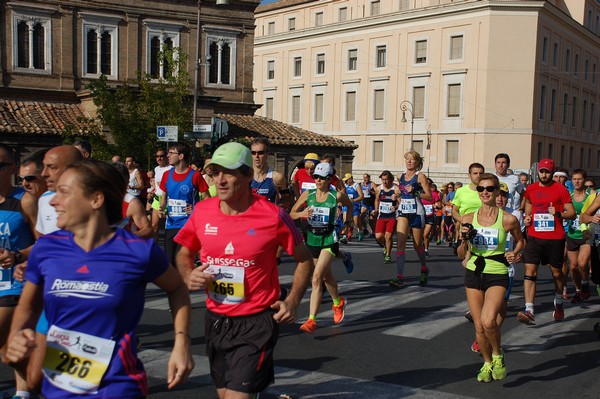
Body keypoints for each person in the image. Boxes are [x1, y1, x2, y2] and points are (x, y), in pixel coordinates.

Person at [4, 159, 194, 398]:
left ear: (96, 199)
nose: (53, 201)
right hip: (58, 386)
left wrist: (181, 343)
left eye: (64, 192)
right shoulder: (46, 249)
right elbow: (28, 306)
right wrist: (17, 336)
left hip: (117, 385)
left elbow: (177, 289)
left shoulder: (137, 251)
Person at [174, 142, 314, 399]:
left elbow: (305, 260)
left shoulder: (273, 216)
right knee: (224, 394)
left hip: (256, 323)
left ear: (248, 175)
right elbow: (183, 253)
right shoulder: (202, 212)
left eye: (229, 172)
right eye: (215, 173)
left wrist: (292, 301)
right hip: (215, 320)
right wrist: (186, 273)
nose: (221, 180)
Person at [457, 173, 524, 382]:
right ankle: (486, 363)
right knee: (478, 326)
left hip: (497, 271)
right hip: (474, 271)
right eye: (481, 189)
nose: (484, 192)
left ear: (497, 192)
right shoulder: (468, 219)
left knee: (488, 321)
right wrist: (463, 240)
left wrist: (515, 253)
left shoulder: (508, 219)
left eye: (489, 189)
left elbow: (521, 241)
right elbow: (461, 253)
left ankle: (497, 354)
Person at [290, 162, 354, 334]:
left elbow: (350, 205)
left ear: (329, 179)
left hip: (329, 240)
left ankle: (312, 320)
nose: (317, 180)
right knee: (326, 277)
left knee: (317, 278)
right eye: (316, 177)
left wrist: (348, 222)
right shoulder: (307, 194)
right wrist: (302, 214)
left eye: (321, 178)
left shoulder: (336, 195)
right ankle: (337, 302)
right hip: (312, 240)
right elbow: (291, 214)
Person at [517, 158, 575, 324]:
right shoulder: (531, 188)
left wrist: (558, 213)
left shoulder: (561, 190)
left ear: (552, 172)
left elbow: (571, 213)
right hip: (534, 237)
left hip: (555, 238)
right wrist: (527, 219)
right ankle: (529, 309)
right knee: (530, 272)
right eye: (541, 171)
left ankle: (559, 301)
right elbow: (528, 203)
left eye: (547, 172)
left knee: (557, 273)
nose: (544, 174)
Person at [0, 144, 36, 399]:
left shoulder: (24, 201)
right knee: (7, 350)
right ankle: (25, 392)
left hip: (13, 285)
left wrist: (17, 255)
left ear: (12, 169)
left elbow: (47, 243)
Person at [159, 142, 209, 266]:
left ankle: (185, 285)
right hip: (170, 224)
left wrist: (195, 209)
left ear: (181, 156)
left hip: (188, 224)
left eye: (171, 153)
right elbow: (164, 199)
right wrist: (161, 208)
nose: (168, 156)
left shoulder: (195, 176)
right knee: (169, 262)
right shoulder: (166, 175)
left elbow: (207, 199)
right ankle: (176, 285)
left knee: (182, 262)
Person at [565, 169, 593, 302]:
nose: (576, 181)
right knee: (574, 266)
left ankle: (585, 283)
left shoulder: (591, 195)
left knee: (582, 263)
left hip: (586, 234)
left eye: (579, 179)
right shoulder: (568, 196)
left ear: (584, 180)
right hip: (572, 233)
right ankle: (577, 290)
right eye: (574, 179)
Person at [110, 162, 154, 239]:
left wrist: (126, 237)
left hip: (123, 249)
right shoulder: (98, 199)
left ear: (126, 181)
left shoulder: (132, 203)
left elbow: (148, 230)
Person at [452, 163, 485, 248]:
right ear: (469, 175)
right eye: (475, 173)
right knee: (465, 257)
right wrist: (463, 221)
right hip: (466, 229)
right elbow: (454, 211)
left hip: (484, 228)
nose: (478, 176)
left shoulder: (487, 191)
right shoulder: (461, 191)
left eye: (481, 173)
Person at [18, 149, 49, 232]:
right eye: (21, 178)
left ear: (45, 175)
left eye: (29, 178)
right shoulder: (18, 202)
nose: (24, 184)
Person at [250, 138, 286, 204]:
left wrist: (279, 198)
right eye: (253, 153)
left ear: (267, 153)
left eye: (260, 153)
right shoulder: (245, 176)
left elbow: (286, 202)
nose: (256, 156)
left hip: (269, 213)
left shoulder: (277, 177)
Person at [374, 170, 400, 264]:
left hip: (392, 216)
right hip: (381, 216)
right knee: (379, 236)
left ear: (391, 179)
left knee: (388, 236)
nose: (385, 182)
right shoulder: (379, 189)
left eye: (386, 180)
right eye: (383, 179)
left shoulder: (396, 189)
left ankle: (388, 255)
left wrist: (396, 207)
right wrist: (376, 209)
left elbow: (401, 203)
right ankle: (385, 245)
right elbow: (377, 200)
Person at [150, 149, 173, 240]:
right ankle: (154, 249)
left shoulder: (171, 168)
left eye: (161, 156)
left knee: (169, 226)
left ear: (166, 157)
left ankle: (170, 247)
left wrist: (165, 185)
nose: (159, 158)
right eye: (157, 156)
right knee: (154, 225)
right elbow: (156, 185)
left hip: (168, 199)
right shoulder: (156, 169)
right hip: (157, 199)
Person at [340, 173, 364, 242]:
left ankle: (361, 230)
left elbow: (361, 196)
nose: (346, 182)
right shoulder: (345, 186)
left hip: (355, 206)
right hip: (346, 205)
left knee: (356, 222)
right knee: (345, 220)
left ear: (351, 179)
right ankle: (344, 236)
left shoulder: (356, 186)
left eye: (347, 180)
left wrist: (353, 200)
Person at [422, 179, 442, 256]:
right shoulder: (419, 194)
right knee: (421, 235)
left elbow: (439, 205)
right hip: (421, 215)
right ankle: (423, 245)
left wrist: (436, 206)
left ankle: (426, 250)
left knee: (425, 234)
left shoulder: (433, 194)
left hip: (430, 215)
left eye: (428, 184)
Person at [360, 173, 377, 238]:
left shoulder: (372, 184)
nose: (365, 179)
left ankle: (374, 231)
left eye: (366, 178)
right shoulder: (362, 184)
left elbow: (377, 193)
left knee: (371, 219)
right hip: (365, 203)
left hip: (371, 204)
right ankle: (365, 229)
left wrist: (371, 191)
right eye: (364, 178)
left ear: (369, 178)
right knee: (361, 216)